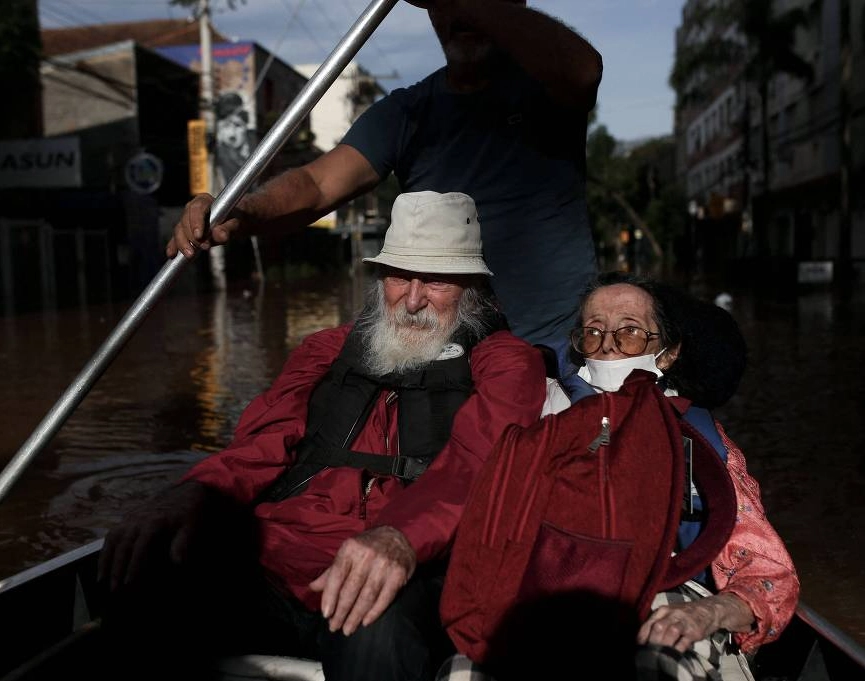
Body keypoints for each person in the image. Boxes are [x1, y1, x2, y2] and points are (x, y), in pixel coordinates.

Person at [97, 191, 548, 681]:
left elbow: (477, 465)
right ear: (380, 280)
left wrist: (400, 537)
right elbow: (259, 446)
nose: (414, 299)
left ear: (471, 289)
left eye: (437, 280)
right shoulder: (324, 349)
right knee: (143, 577)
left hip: (404, 563)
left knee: (374, 629)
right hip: (278, 557)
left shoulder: (505, 361)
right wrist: (192, 492)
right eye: (399, 276)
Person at [166, 0, 603, 385]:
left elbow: (584, 72)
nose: (459, 12)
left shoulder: (550, 85)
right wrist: (241, 210)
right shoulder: (407, 112)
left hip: (557, 347)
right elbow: (317, 186)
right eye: (442, 3)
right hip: (454, 355)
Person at [434, 271, 800, 681]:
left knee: (652, 665)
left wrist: (705, 613)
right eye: (593, 331)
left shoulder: (697, 443)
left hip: (669, 598)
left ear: (667, 352)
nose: (607, 344)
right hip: (552, 601)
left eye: (629, 331)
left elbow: (771, 575)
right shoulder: (547, 429)